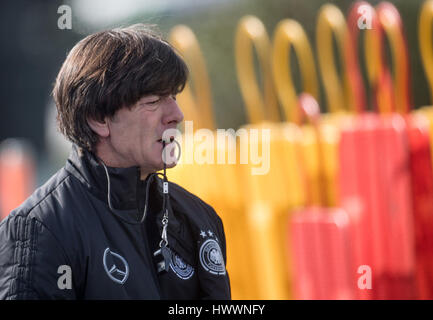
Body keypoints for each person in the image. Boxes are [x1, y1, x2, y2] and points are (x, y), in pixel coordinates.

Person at [0, 24, 231, 299]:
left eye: (174, 97)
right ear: (98, 119)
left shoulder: (199, 217)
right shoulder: (40, 230)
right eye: (154, 101)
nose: (176, 114)